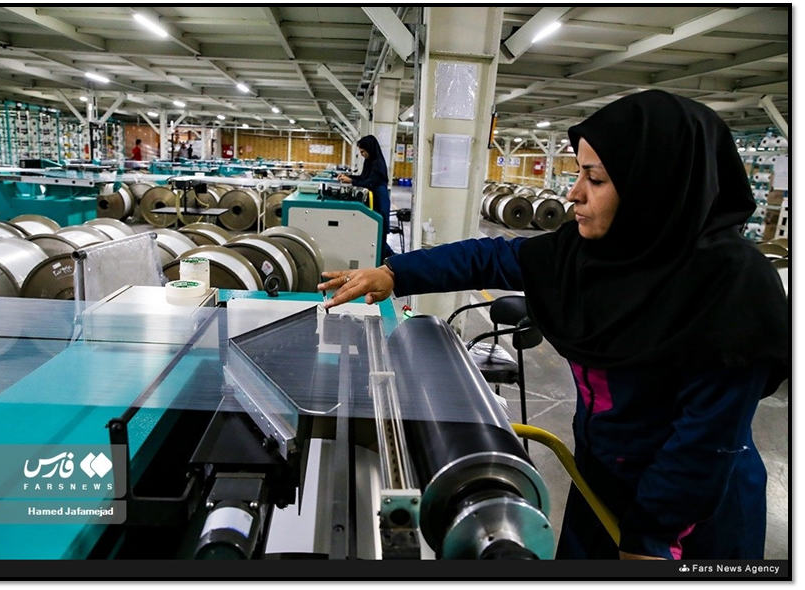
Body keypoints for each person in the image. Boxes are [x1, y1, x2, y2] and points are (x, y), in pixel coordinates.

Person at [318, 90, 789, 560]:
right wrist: (396, 274)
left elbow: (705, 442)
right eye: (579, 173)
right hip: (600, 481)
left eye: (596, 178)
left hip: (690, 513)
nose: (574, 193)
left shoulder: (732, 289)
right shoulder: (589, 254)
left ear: (655, 186)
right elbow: (492, 255)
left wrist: (651, 539)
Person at [337, 135, 394, 259]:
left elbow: (369, 183)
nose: (362, 154)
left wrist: (351, 181)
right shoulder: (369, 161)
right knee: (373, 229)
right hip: (372, 197)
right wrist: (348, 177)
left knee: (380, 230)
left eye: (363, 151)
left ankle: (388, 260)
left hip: (379, 198)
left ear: (370, 149)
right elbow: (363, 178)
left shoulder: (378, 163)